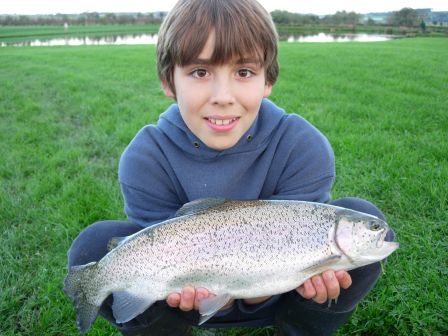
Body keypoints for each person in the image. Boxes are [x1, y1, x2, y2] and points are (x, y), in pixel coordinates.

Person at [67, 0, 394, 335]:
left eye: (243, 72)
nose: (223, 96)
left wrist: (251, 294)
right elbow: (152, 243)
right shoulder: (145, 157)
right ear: (169, 82)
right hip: (179, 296)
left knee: (363, 218)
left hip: (286, 293)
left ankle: (297, 329)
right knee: (93, 247)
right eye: (200, 72)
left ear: (268, 81)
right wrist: (217, 296)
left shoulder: (303, 145)